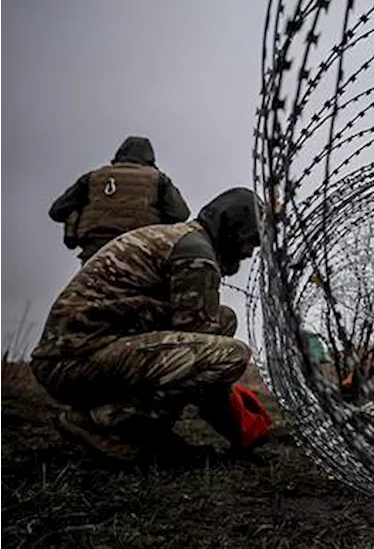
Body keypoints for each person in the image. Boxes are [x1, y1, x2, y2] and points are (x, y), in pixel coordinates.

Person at [29, 187, 267, 462]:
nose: (249, 252)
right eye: (249, 240)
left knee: (223, 320)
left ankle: (141, 430)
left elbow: (193, 337)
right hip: (74, 362)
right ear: (230, 228)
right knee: (232, 354)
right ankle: (104, 424)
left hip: (79, 354)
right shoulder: (196, 254)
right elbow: (199, 352)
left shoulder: (182, 238)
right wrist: (239, 423)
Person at [49, 136, 190, 264]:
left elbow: (58, 210)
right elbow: (180, 214)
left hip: (95, 252)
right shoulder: (157, 179)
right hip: (139, 250)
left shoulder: (93, 178)